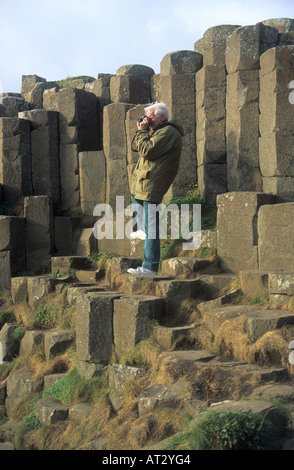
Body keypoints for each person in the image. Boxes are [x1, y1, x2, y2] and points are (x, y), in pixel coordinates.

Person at [127, 102, 184, 276]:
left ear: (161, 117)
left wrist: (143, 132)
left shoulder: (168, 132)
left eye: (150, 117)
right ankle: (141, 231)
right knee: (145, 223)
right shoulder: (156, 131)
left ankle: (149, 267)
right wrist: (141, 130)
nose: (147, 120)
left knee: (152, 228)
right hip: (144, 183)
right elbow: (136, 146)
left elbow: (147, 151)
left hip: (153, 184)